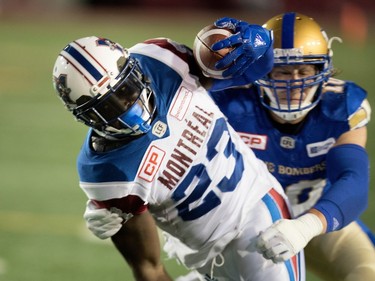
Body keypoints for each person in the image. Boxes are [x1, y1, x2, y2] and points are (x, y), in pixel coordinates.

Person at [51, 26, 306, 281]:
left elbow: (255, 71)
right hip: (203, 259)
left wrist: (258, 45)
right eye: (107, 107)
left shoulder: (161, 59)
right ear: (86, 118)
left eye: (125, 90)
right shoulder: (108, 173)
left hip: (257, 211)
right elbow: (149, 269)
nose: (127, 110)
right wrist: (111, 203)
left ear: (134, 69)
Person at [209, 12, 375, 281]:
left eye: (304, 70)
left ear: (322, 71)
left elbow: (353, 180)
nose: (295, 82)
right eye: (283, 71)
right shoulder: (229, 103)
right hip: (243, 225)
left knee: (368, 273)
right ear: (262, 71)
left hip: (315, 215)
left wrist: (307, 226)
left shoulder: (341, 107)